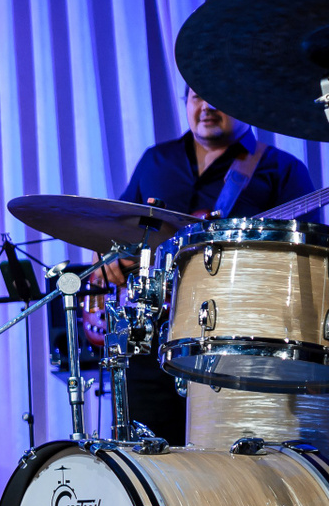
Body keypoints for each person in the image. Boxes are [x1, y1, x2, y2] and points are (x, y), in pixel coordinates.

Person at [101, 87, 318, 443]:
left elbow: (307, 267)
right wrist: (109, 257)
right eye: (197, 97)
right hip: (150, 341)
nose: (208, 106)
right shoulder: (156, 160)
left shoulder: (284, 169)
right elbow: (119, 231)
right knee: (145, 455)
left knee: (226, 459)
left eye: (219, 95)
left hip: (236, 346)